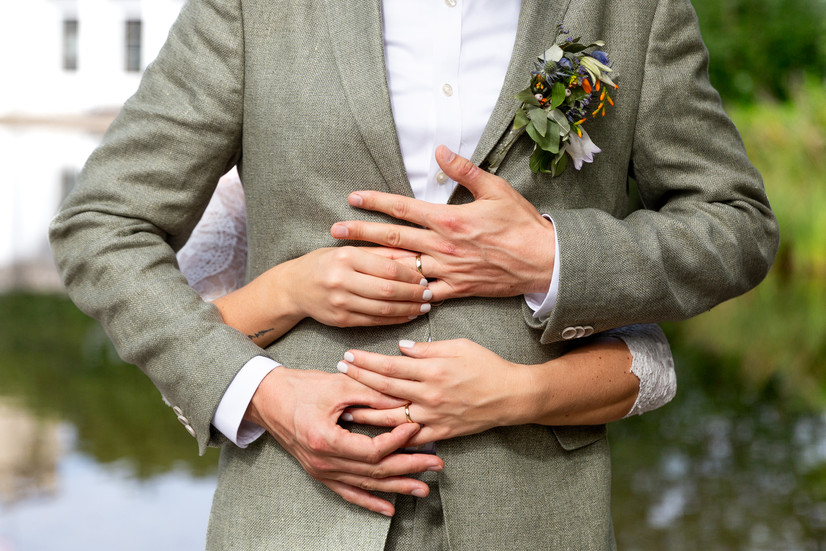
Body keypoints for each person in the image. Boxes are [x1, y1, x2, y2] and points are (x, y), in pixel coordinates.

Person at [49, 0, 778, 549]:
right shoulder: (252, 9)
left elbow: (736, 223)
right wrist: (260, 392)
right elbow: (102, 225)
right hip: (296, 516)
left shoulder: (632, 9)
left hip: (537, 516)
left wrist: (552, 255)